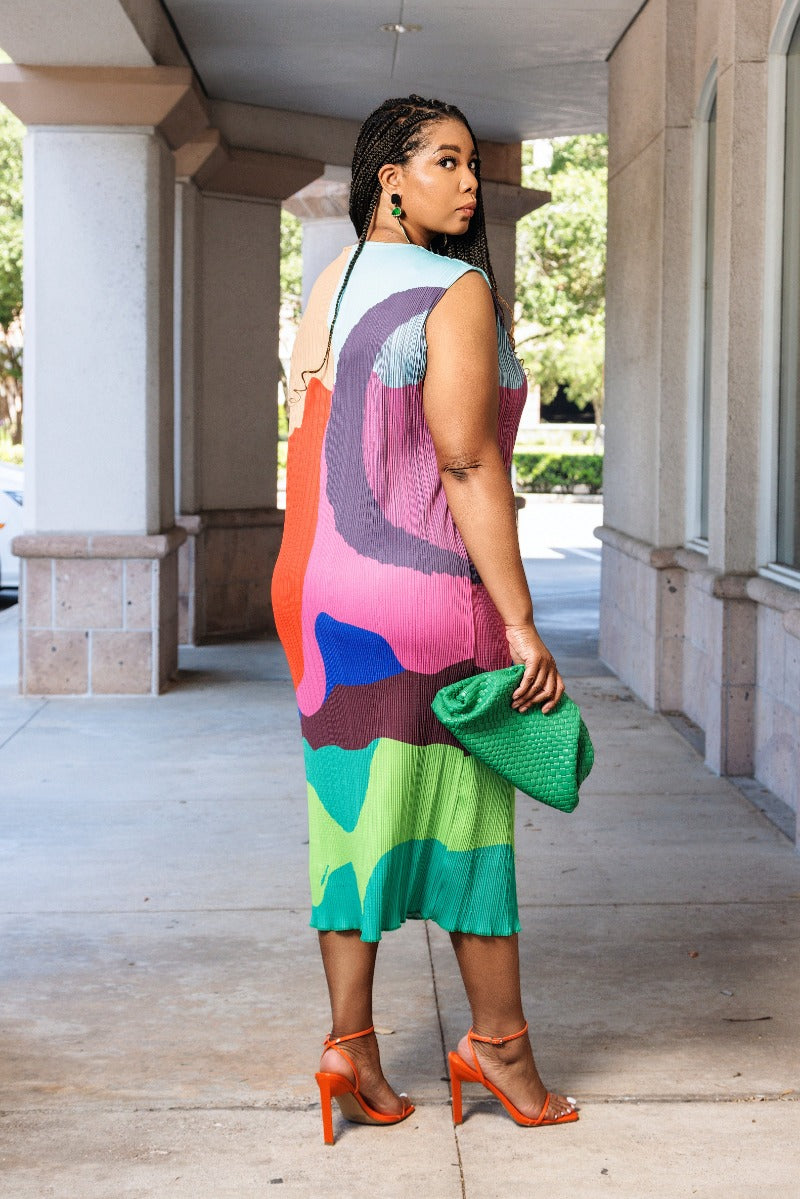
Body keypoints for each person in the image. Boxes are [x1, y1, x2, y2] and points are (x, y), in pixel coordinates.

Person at [271, 94, 577, 1145]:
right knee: (469, 821)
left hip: (320, 590)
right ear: (388, 177)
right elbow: (464, 458)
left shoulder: (330, 283)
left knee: (349, 818)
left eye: (472, 165)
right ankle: (500, 1047)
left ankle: (349, 1047)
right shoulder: (456, 289)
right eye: (445, 162)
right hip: (420, 591)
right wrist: (519, 619)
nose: (468, 182)